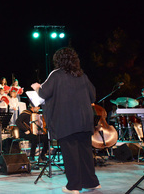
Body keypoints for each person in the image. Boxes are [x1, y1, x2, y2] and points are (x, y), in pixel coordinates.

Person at [31, 47, 100, 193]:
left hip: (66, 122)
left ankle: (73, 186)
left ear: (58, 60)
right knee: (86, 153)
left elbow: (44, 93)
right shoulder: (82, 75)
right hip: (85, 121)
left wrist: (37, 87)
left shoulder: (56, 74)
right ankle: (92, 182)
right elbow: (93, 96)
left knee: (71, 155)